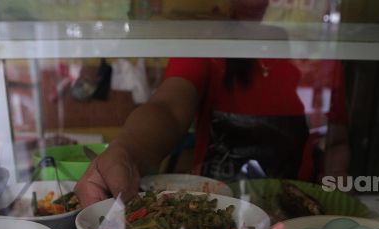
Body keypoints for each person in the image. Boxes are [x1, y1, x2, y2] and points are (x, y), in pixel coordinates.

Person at [75, 0, 350, 207]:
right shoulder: (207, 44)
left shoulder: (319, 58)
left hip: (292, 207)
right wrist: (127, 150)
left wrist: (334, 195)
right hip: (214, 205)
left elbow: (336, 143)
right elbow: (168, 109)